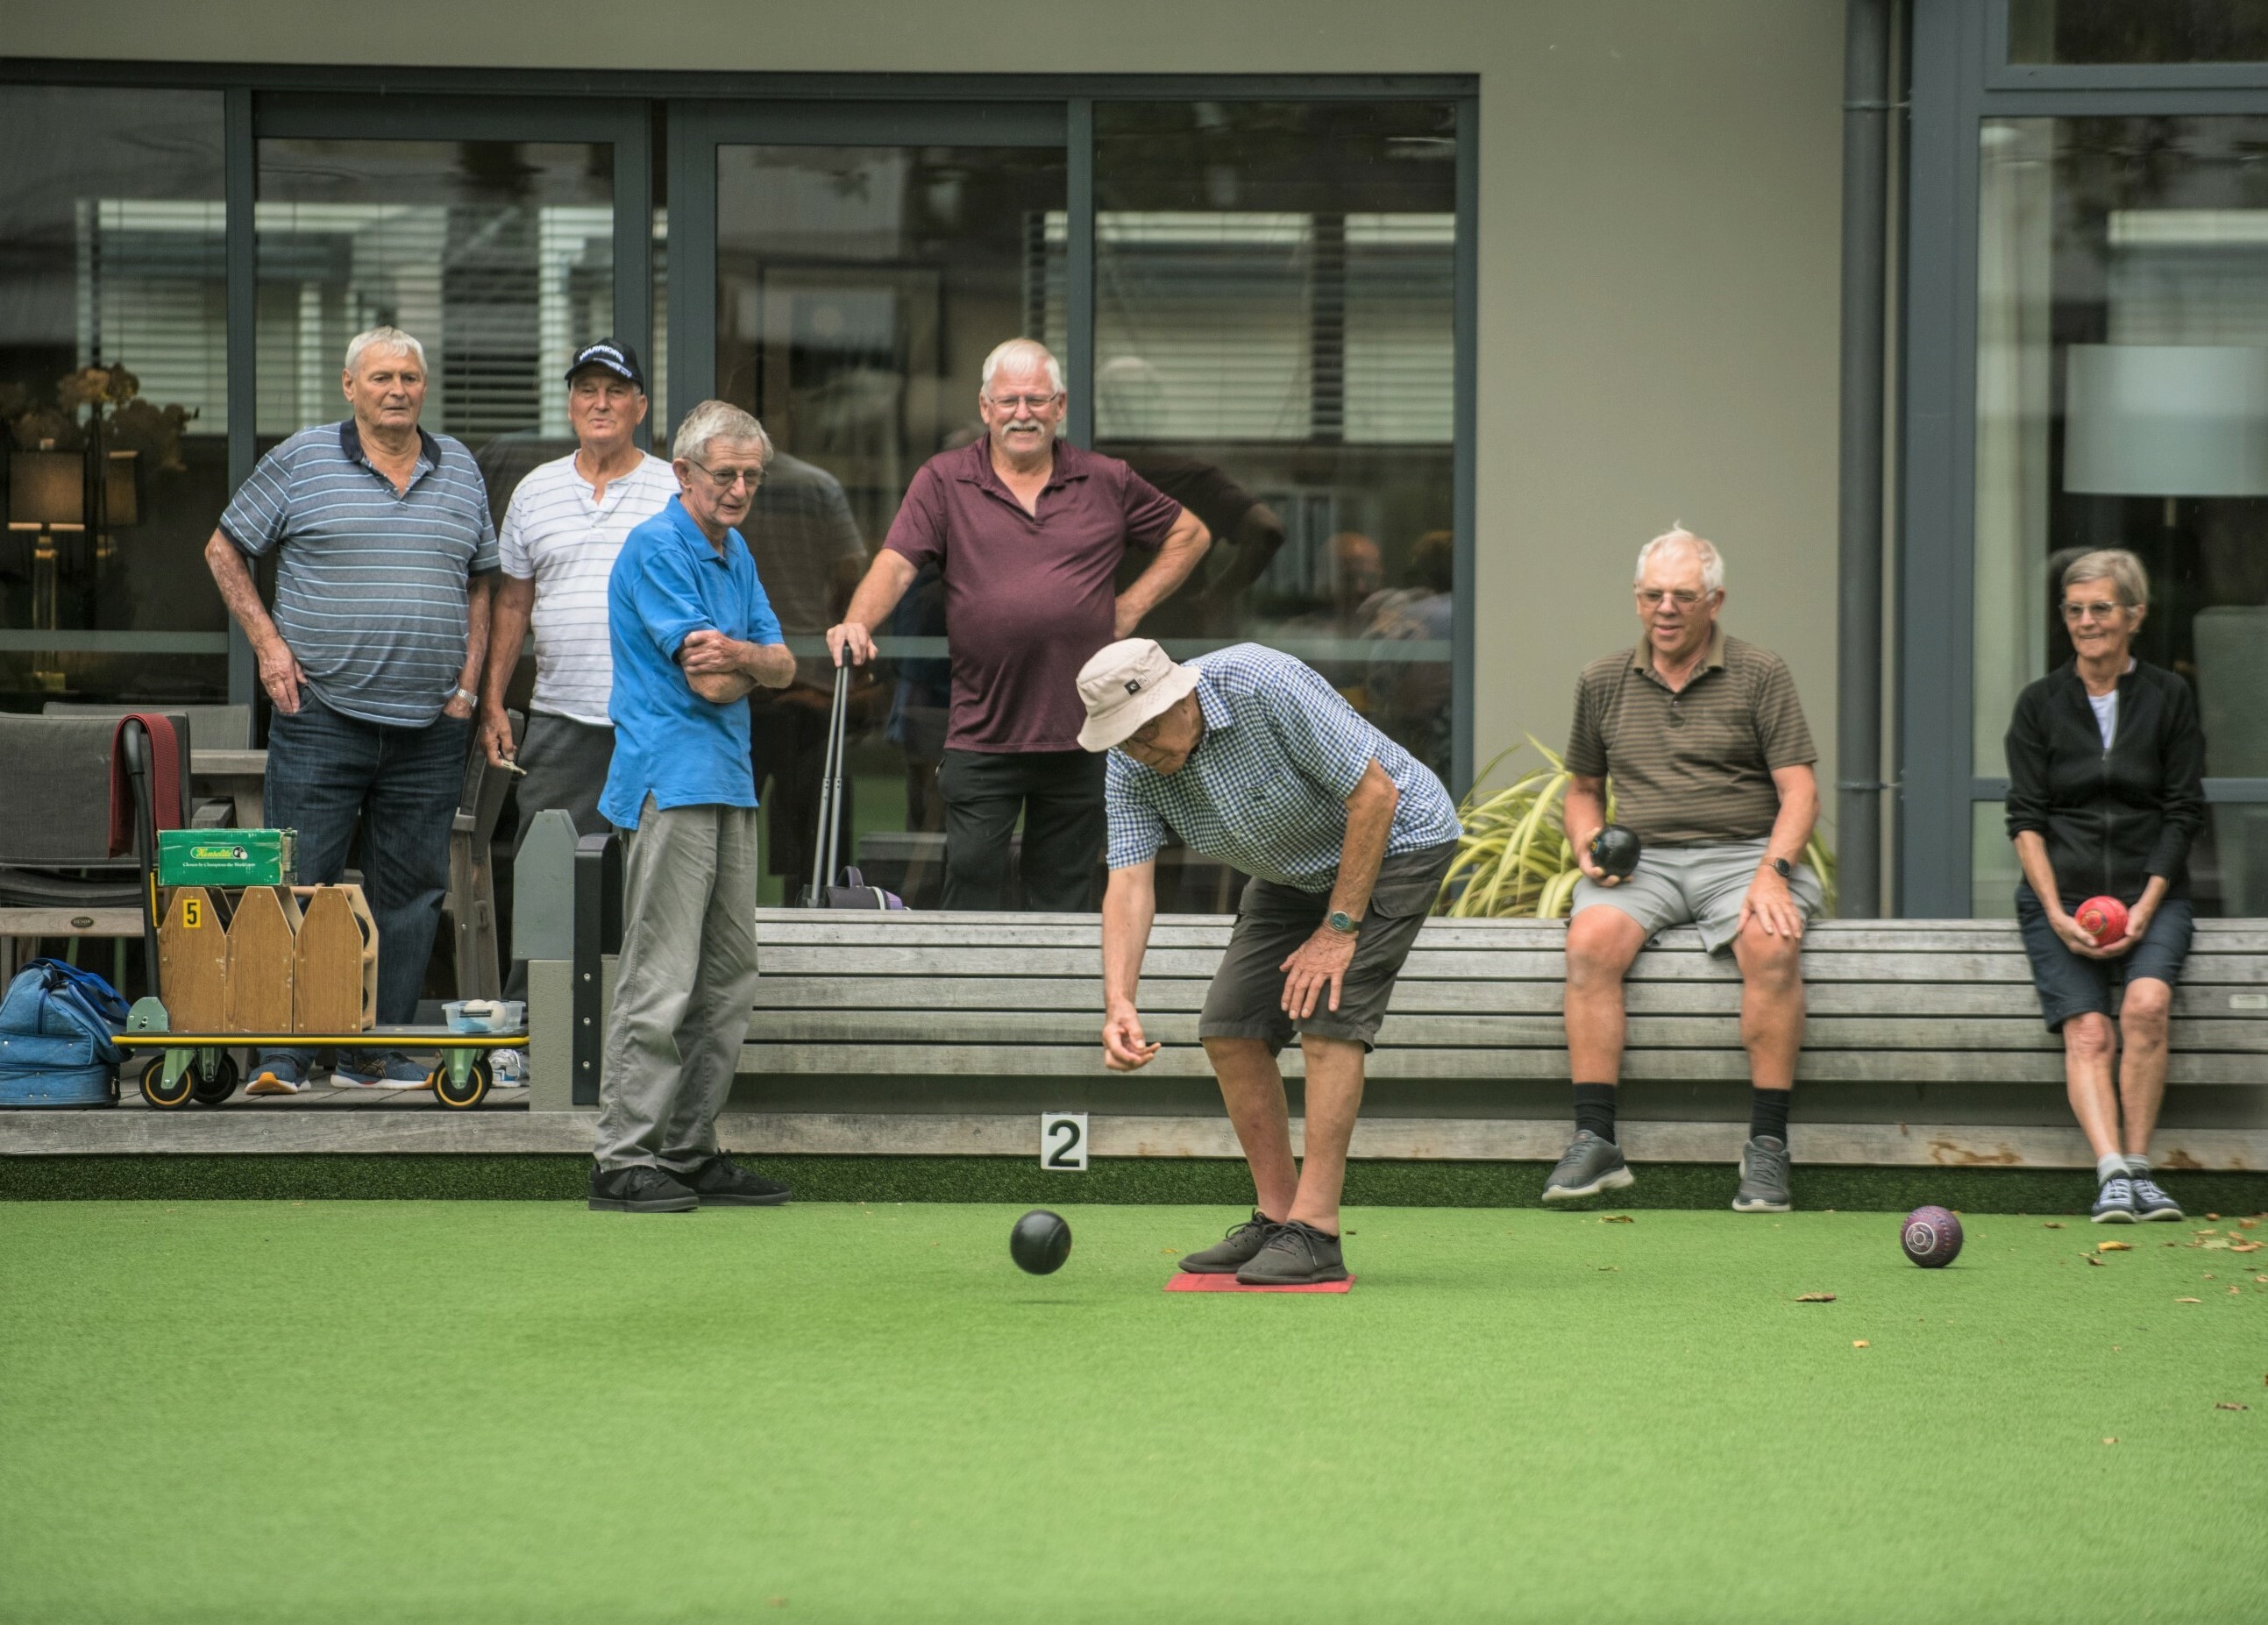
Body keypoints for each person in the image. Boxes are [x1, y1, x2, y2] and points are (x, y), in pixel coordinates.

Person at [1086, 638, 1463, 1285]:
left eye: (1146, 728)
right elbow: (1129, 883)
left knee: (1327, 1020)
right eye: (1122, 738)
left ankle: (1315, 1234)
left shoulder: (1264, 684)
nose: (1139, 749)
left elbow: (1374, 796)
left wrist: (1338, 930)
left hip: (1397, 841)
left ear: (1182, 696)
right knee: (1229, 1029)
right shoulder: (1131, 767)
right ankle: (1278, 1216)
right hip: (1291, 872)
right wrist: (1119, 1000)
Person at [204, 325, 496, 1093]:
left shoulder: (460, 468)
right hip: (320, 713)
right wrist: (269, 646)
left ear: (423, 388)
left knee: (411, 896)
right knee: (298, 885)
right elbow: (223, 549)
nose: (396, 390)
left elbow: (480, 582)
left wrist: (467, 687)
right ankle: (283, 1055)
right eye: (380, 378)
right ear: (348, 385)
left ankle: (380, 1050)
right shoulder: (301, 460)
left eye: (408, 377)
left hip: (431, 724)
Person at [826, 337, 1212, 912]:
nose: (1022, 413)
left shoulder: (1106, 480)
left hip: (1084, 730)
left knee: (1065, 893)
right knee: (972, 885)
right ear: (985, 408)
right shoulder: (945, 479)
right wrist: (856, 622)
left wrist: (1129, 606)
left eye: (1036, 400)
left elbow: (1191, 534)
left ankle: (1056, 1002)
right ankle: (971, 1003)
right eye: (1008, 401)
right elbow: (897, 562)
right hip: (983, 730)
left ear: (1059, 407)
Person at [1546, 525, 1824, 1213]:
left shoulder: (1761, 672)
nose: (1666, 609)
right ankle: (1595, 1141)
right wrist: (1587, 846)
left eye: (1682, 595)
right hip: (1647, 863)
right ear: (1636, 600)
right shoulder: (1601, 679)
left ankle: (1766, 1147)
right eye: (1652, 595)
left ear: (1714, 600)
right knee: (1587, 946)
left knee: (1770, 944)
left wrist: (1772, 873)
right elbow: (1581, 789)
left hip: (1744, 857)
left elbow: (1800, 791)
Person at [587, 400, 798, 1214]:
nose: (740, 488)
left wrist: (746, 655)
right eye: (725, 473)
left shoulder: (733, 548)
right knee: (661, 977)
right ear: (682, 473)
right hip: (668, 780)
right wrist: (756, 662)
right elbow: (713, 680)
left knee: (727, 980)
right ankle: (620, 1159)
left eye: (752, 475)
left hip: (727, 778)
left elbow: (780, 664)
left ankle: (686, 1148)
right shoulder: (656, 546)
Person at [2004, 549, 2206, 1224]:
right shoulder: (2038, 705)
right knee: (2089, 1032)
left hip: (2153, 894)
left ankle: (2141, 1170)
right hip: (2062, 902)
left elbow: (2181, 810)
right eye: (2074, 610)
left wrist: (2147, 904)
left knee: (2145, 1005)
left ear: (2134, 615)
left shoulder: (2169, 697)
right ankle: (2110, 1173)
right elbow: (2025, 819)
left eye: (2100, 608)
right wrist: (2056, 910)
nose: (2086, 622)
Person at [478, 341, 676, 996]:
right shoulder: (536, 490)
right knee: (547, 881)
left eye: (615, 391)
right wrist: (493, 702)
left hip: (652, 723)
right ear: (570, 403)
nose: (600, 403)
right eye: (587, 389)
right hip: (561, 720)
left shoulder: (673, 487)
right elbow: (512, 602)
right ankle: (535, 1022)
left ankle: (633, 1023)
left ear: (640, 406)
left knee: (651, 882)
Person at [743, 450, 868, 895]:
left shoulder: (717, 487)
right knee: (814, 830)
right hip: (808, 675)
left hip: (752, 682)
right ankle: (809, 915)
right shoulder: (820, 483)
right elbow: (850, 573)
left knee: (729, 819)